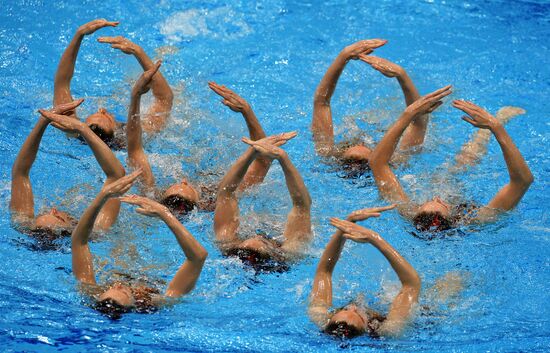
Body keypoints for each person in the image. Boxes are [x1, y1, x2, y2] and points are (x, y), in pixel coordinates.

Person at [369, 85, 534, 231]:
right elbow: (522, 181)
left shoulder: (405, 210)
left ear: (416, 210)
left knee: (457, 165)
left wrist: (408, 114)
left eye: (425, 202)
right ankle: (488, 129)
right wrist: (496, 127)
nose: (436, 196)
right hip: (458, 181)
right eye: (440, 202)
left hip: (437, 179)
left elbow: (377, 163)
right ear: (455, 219)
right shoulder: (476, 221)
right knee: (465, 161)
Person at [71, 170, 208, 318]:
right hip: (155, 266)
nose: (118, 285)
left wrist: (104, 195)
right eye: (123, 291)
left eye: (110, 288)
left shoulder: (89, 290)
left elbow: (79, 241)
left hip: (118, 260)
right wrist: (164, 212)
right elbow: (198, 257)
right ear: (135, 304)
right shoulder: (158, 301)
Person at [10, 99, 125, 242]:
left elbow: (20, 172)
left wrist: (44, 120)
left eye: (42, 215)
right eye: (58, 217)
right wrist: (82, 128)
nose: (53, 209)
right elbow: (117, 176)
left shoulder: (21, 223)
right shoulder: (96, 231)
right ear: (72, 228)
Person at [53, 19, 173, 148]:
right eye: (107, 116)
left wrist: (79, 35)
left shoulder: (75, 134)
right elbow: (164, 98)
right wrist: (137, 51)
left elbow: (61, 83)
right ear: (116, 135)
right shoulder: (137, 137)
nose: (102, 109)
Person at [311, 39, 428, 169]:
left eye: (349, 161)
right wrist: (401, 75)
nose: (360, 143)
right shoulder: (397, 158)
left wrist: (344, 55)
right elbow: (419, 118)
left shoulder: (327, 154)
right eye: (360, 161)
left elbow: (321, 102)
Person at [309, 204, 421, 338]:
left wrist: (348, 223)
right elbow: (412, 285)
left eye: (344, 309)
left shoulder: (320, 318)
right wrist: (373, 237)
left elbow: (324, 272)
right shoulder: (389, 330)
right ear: (368, 328)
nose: (353, 307)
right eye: (359, 316)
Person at [214, 134, 312, 273]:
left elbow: (225, 193)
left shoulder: (226, 241)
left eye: (245, 244)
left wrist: (251, 153)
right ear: (272, 251)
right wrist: (283, 158)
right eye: (263, 241)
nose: (257, 236)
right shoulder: (291, 251)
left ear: (239, 246)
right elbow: (302, 205)